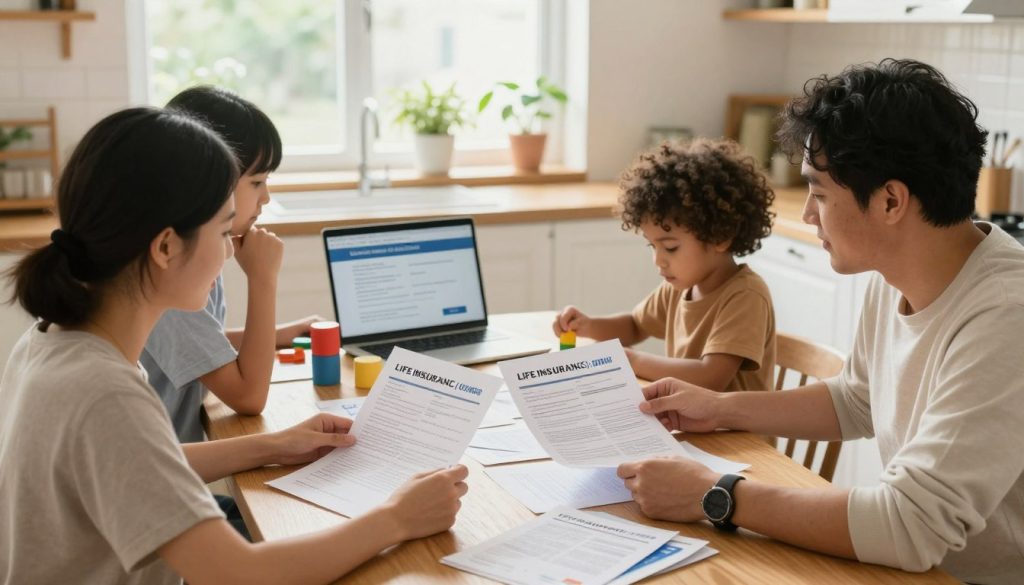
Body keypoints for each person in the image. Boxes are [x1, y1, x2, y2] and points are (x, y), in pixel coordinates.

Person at [0, 107, 468, 585]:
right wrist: (397, 517)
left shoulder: (60, 340)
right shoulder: (104, 392)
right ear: (165, 248)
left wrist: (274, 445)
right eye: (224, 232)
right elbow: (240, 574)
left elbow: (134, 462)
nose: (229, 250)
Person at [617, 59, 1024, 584]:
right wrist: (718, 407)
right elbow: (857, 400)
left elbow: (912, 523)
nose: (808, 214)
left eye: (821, 193)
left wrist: (712, 493)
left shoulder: (1005, 316)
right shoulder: (898, 271)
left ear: (891, 201)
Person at [142, 86, 320, 445]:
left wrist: (282, 334)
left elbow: (196, 343)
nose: (266, 197)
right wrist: (263, 279)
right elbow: (248, 397)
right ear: (210, 177)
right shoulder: (173, 269)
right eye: (257, 182)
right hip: (162, 487)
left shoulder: (193, 247)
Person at [553, 138, 777, 391]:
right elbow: (635, 326)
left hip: (736, 430)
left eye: (670, 247)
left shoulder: (745, 295)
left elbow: (711, 377)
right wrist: (589, 325)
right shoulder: (679, 287)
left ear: (720, 237)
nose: (658, 260)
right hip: (692, 423)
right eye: (653, 246)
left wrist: (632, 360)